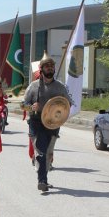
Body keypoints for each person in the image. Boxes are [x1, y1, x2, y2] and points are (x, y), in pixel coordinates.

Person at [21, 52, 71, 192]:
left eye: (51, 66)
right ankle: (42, 181)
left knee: (48, 154)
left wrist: (61, 111)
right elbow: (23, 105)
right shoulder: (33, 86)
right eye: (47, 66)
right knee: (41, 152)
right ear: (41, 69)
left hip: (53, 124)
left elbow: (68, 104)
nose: (49, 68)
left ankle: (44, 177)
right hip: (36, 123)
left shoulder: (60, 87)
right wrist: (31, 107)